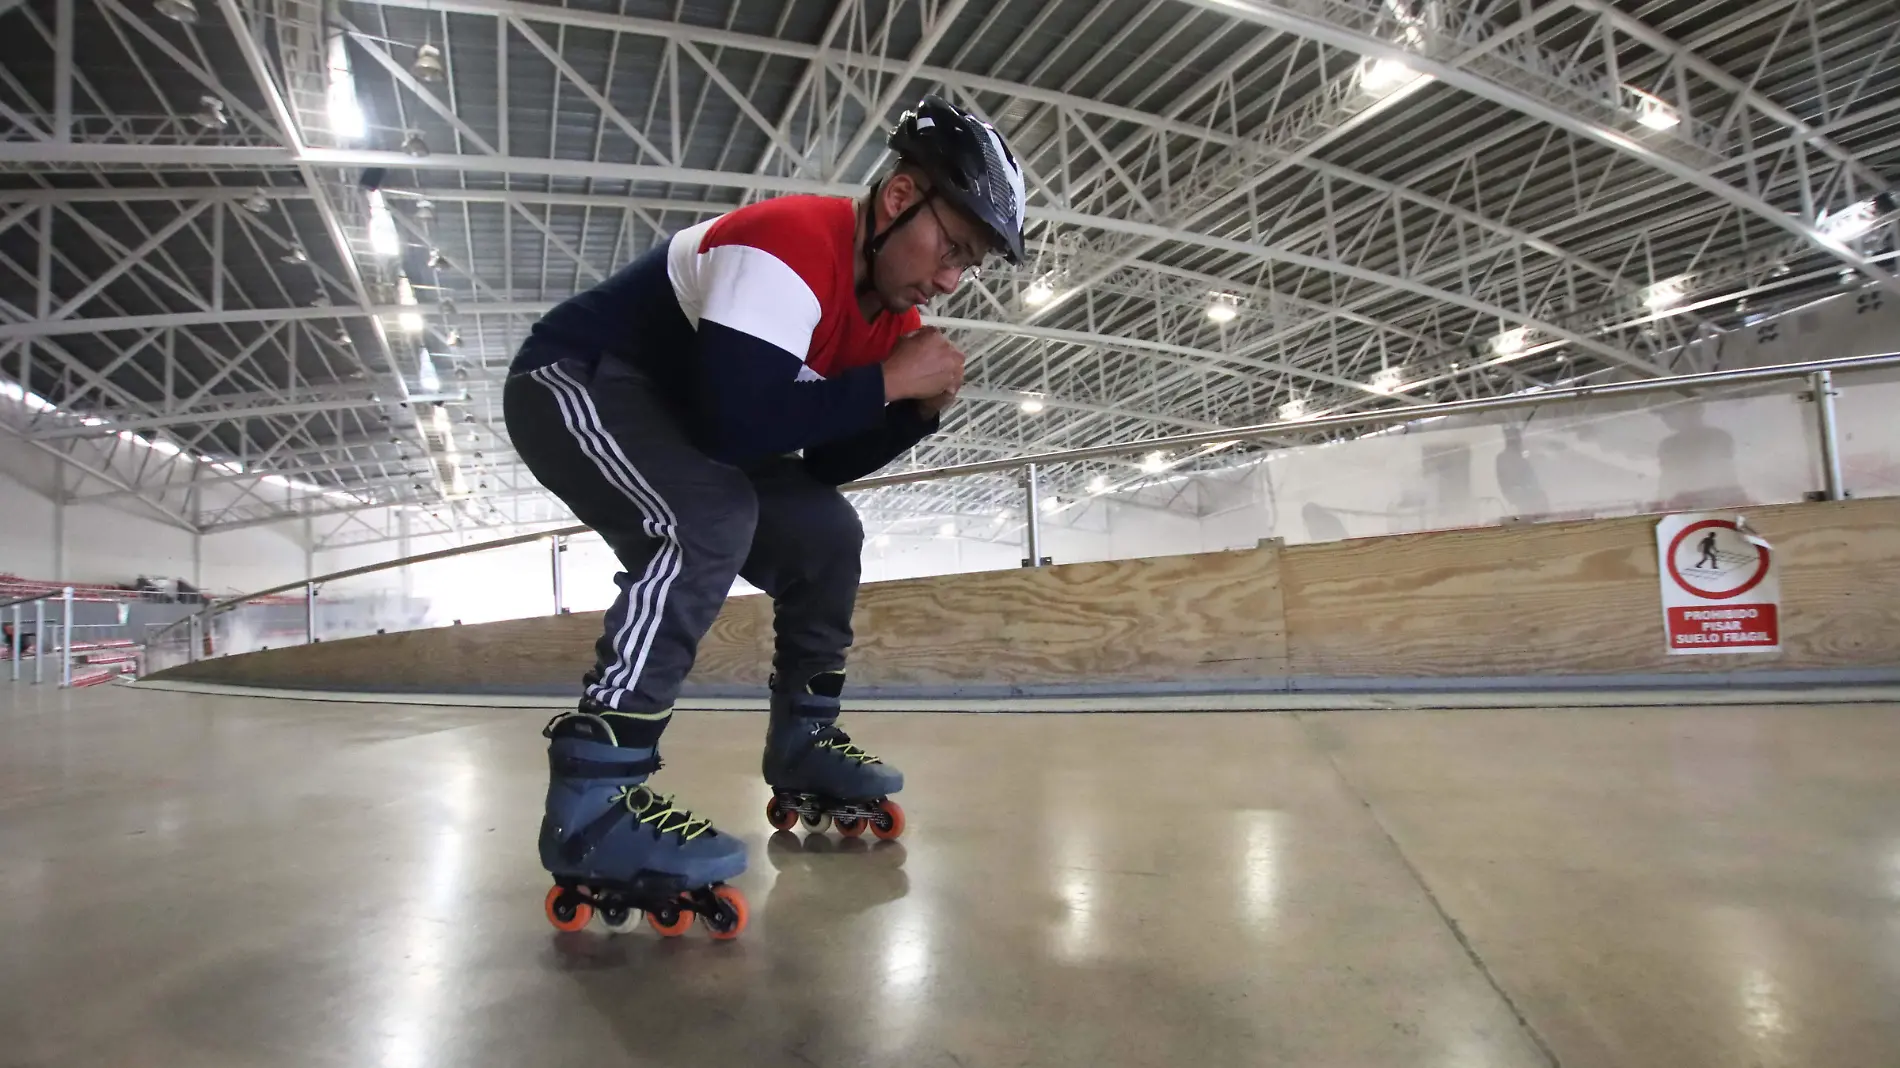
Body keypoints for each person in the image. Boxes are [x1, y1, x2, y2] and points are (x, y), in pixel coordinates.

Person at [505, 96, 1027, 933]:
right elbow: (733, 427)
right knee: (705, 516)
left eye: (967, 264)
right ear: (899, 199)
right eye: (951, 249)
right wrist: (890, 384)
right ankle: (593, 800)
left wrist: (910, 416)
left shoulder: (888, 320)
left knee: (827, 535)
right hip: (577, 378)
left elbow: (820, 467)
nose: (948, 280)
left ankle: (804, 741)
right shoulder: (790, 242)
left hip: (684, 413)